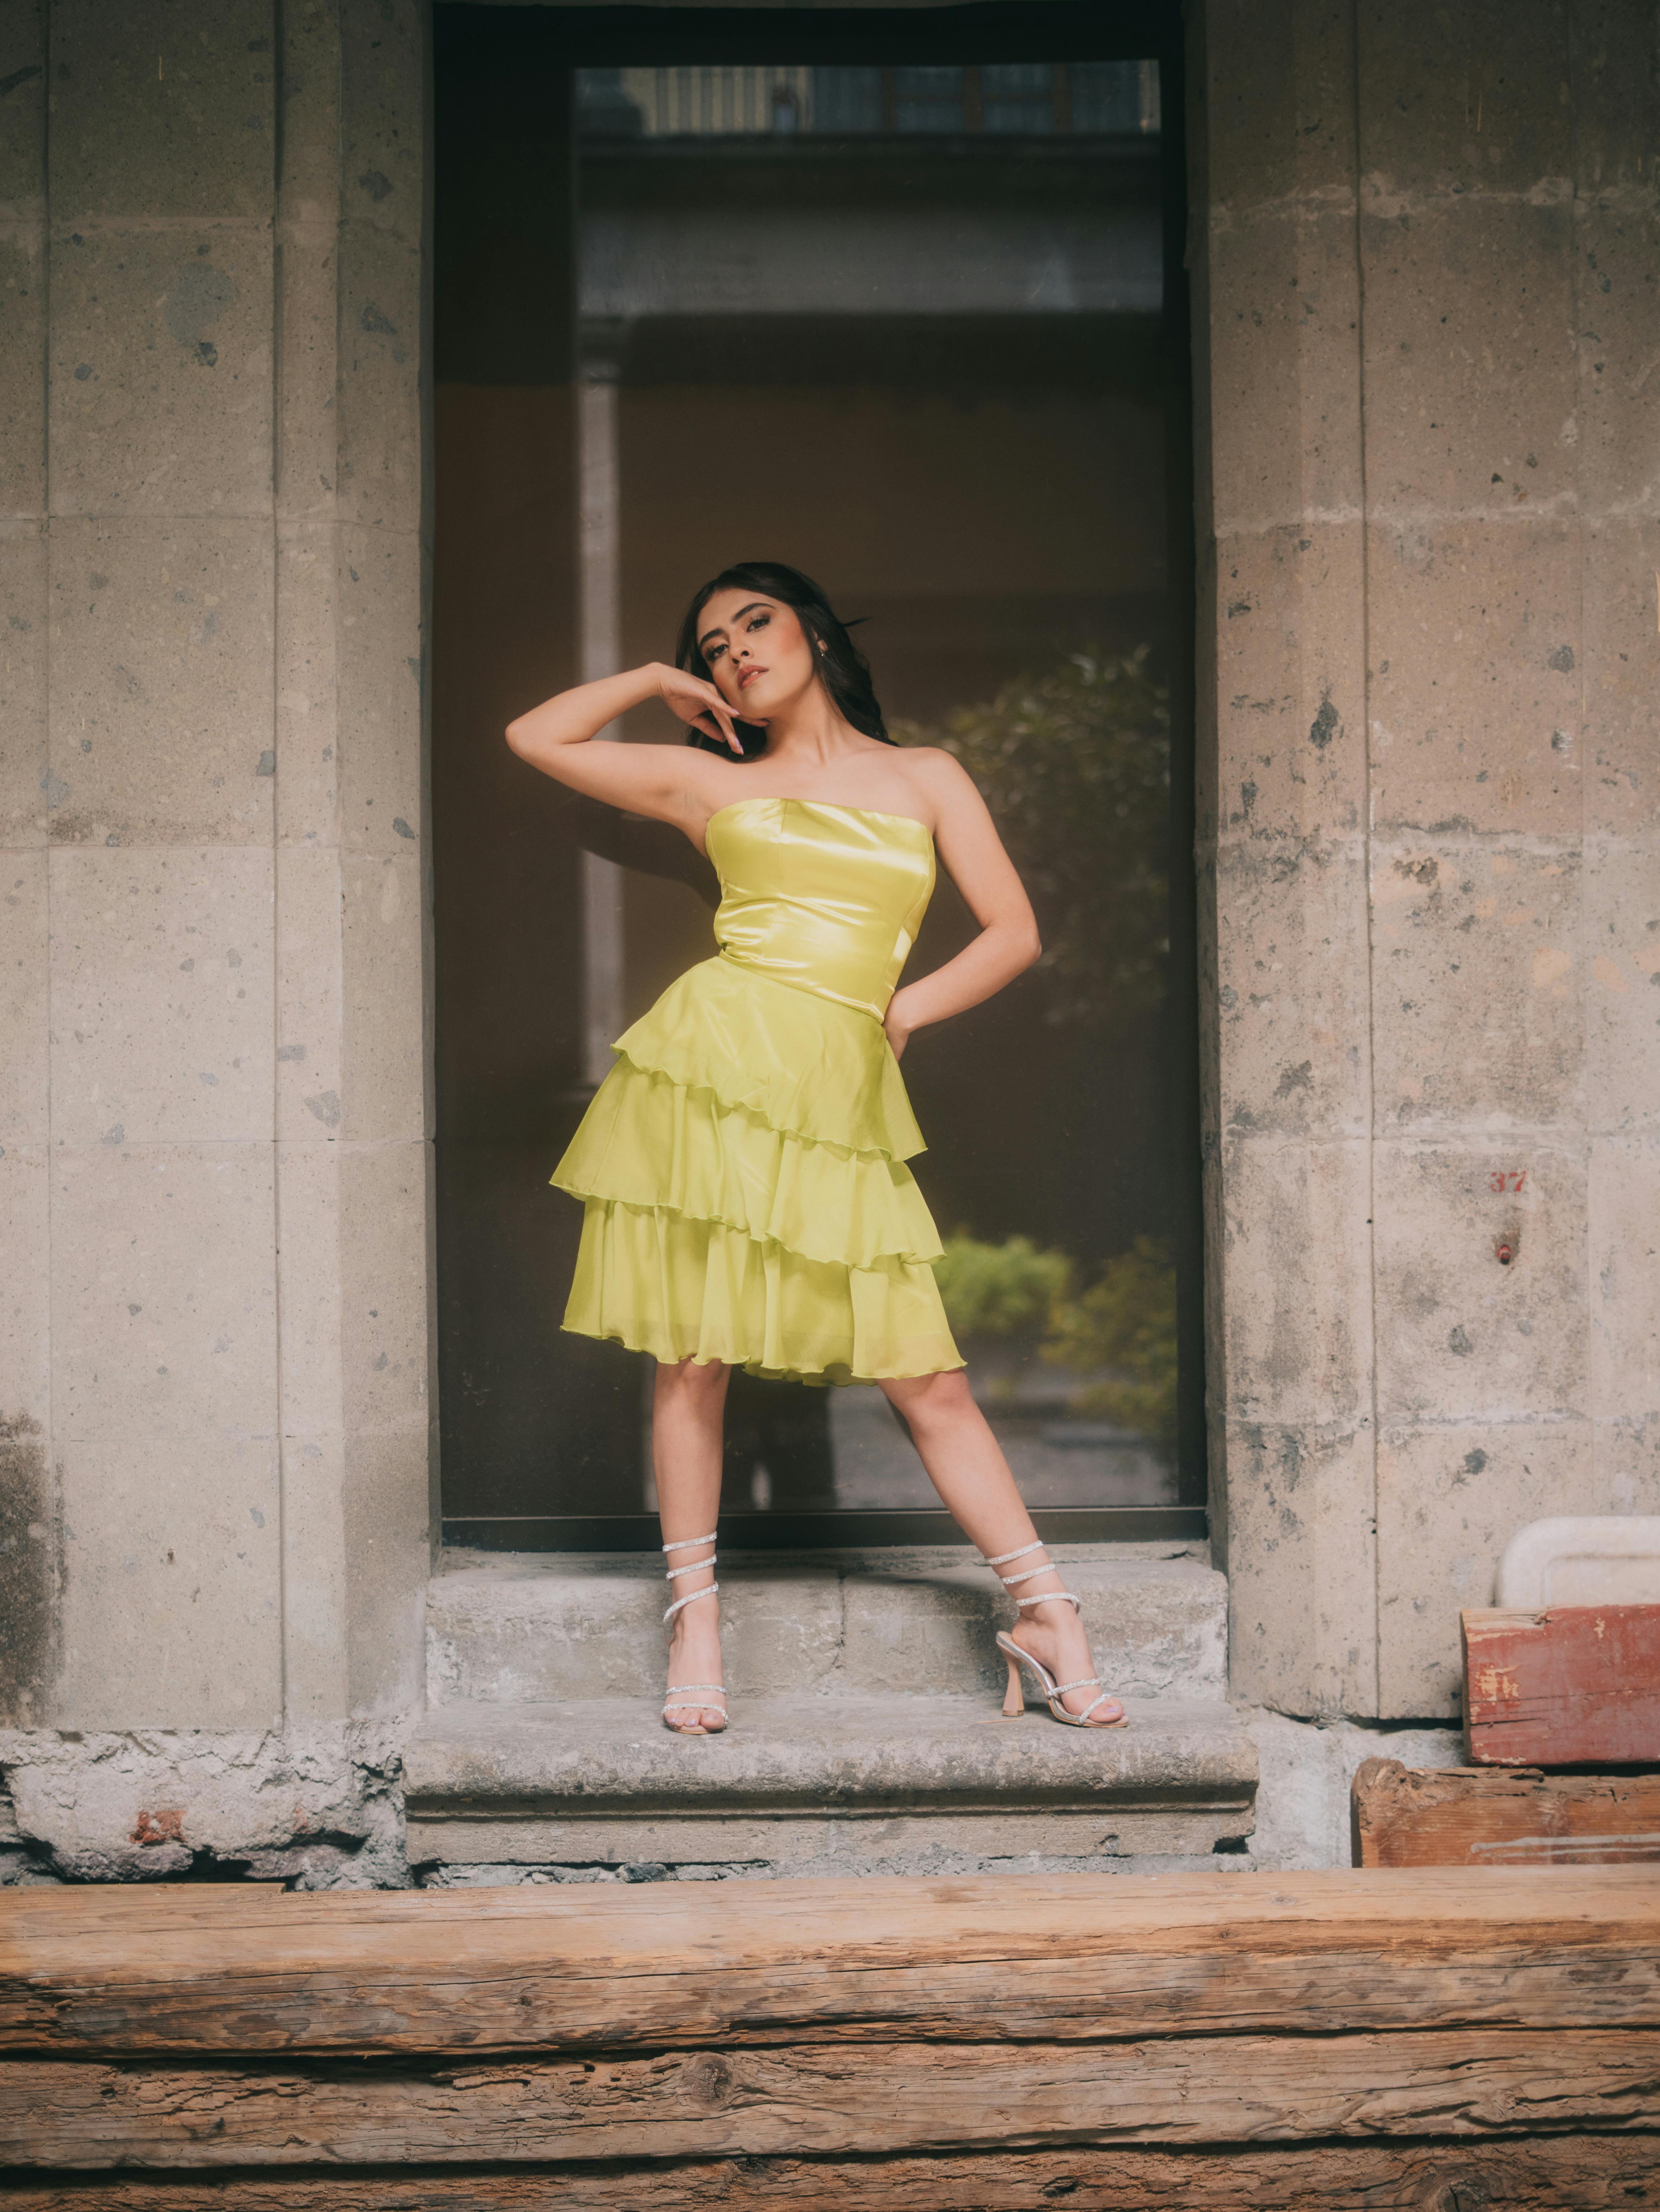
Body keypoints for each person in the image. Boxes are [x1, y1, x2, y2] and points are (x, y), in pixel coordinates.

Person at [506, 562, 1126, 1737]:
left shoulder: (926, 777)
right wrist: (652, 679)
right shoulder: (702, 781)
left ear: (816, 637)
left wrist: (903, 1012)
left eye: (757, 621)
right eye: (713, 641)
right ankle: (696, 1622)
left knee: (926, 1375)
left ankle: (1047, 1616)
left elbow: (1015, 931)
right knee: (693, 1359)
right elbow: (535, 735)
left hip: (837, 1088)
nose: (738, 648)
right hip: (714, 1067)